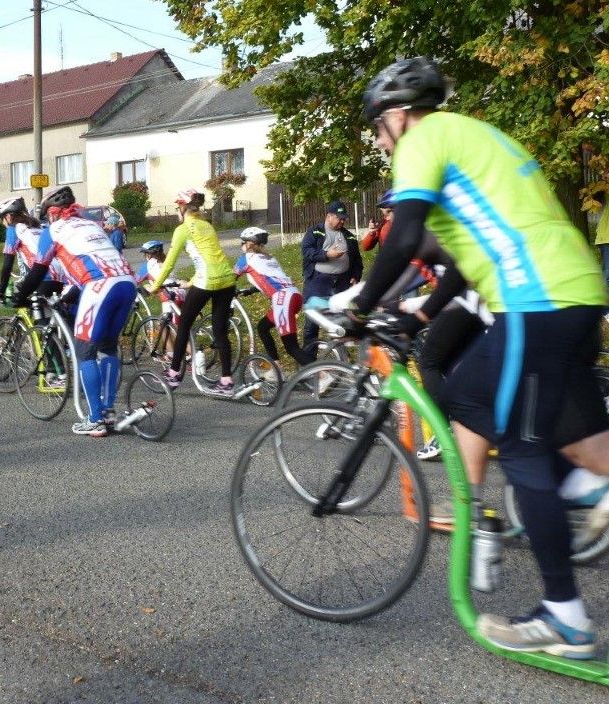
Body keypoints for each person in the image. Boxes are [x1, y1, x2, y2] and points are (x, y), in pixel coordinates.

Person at [349, 55, 609, 659]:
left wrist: (360, 307)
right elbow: (464, 259)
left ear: (397, 115)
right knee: (497, 406)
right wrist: (416, 314)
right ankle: (590, 489)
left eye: (378, 128)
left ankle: (565, 619)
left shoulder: (421, 140)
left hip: (532, 298)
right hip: (575, 291)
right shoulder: (479, 135)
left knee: (518, 444)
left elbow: (403, 238)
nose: (380, 142)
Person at [11, 186, 136, 436]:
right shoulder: (91, 225)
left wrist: (20, 296)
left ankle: (95, 419)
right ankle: (108, 411)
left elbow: (38, 270)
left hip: (99, 286)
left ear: (52, 213)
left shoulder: (53, 231)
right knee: (108, 348)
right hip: (127, 283)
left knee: (84, 352)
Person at [148, 189, 237, 395]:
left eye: (177, 207)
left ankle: (173, 374)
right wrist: (191, 282)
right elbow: (210, 258)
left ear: (183, 207)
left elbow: (169, 263)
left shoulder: (183, 229)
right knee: (220, 331)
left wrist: (155, 286)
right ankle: (226, 381)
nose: (177, 210)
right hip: (227, 280)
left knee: (184, 325)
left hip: (208, 281)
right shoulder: (207, 225)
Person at [233, 226, 315, 367]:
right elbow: (272, 280)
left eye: (243, 242)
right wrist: (250, 290)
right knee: (263, 327)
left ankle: (323, 373)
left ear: (249, 243)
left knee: (291, 347)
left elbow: (230, 279)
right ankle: (275, 368)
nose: (241, 245)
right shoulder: (269, 257)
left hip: (282, 299)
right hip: (294, 295)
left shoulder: (246, 258)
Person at [300, 200, 363, 348]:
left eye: (344, 218)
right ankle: (308, 358)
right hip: (317, 283)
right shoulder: (315, 232)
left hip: (341, 284)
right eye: (339, 218)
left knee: (340, 323)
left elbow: (357, 261)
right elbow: (307, 251)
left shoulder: (349, 236)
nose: (342, 221)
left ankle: (340, 357)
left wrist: (355, 276)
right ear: (329, 216)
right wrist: (327, 254)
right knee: (312, 323)